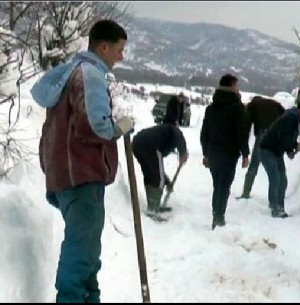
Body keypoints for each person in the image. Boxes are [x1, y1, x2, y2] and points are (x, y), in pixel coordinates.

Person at [32, 20, 130, 303]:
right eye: (119, 49)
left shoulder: (69, 73)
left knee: (87, 249)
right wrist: (119, 127)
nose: (121, 56)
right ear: (103, 46)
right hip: (82, 176)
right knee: (80, 250)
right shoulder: (90, 74)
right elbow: (94, 124)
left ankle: (89, 299)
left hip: (66, 176)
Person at [200, 74, 249, 229]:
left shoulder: (211, 108)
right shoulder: (237, 108)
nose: (238, 88)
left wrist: (205, 153)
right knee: (224, 186)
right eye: (236, 85)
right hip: (229, 153)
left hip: (213, 152)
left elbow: (204, 133)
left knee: (217, 185)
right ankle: (219, 217)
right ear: (231, 87)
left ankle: (216, 214)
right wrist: (245, 153)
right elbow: (241, 132)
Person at [258, 100, 300, 218]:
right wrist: (294, 146)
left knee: (283, 179)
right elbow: (285, 138)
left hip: (276, 151)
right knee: (276, 177)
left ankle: (279, 207)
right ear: (299, 109)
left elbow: (286, 138)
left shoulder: (295, 120)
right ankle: (275, 207)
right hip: (267, 149)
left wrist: (290, 150)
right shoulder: (290, 118)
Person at [132, 120, 189, 216]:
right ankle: (153, 207)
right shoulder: (173, 130)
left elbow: (157, 168)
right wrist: (183, 152)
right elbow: (178, 135)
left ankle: (152, 205)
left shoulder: (162, 134)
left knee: (149, 173)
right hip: (150, 145)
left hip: (137, 144)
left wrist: (167, 182)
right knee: (158, 178)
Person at [237, 96, 285, 199]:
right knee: (279, 168)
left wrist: (245, 151)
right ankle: (280, 195)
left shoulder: (252, 105)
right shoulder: (275, 104)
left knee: (254, 164)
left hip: (264, 135)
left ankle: (245, 193)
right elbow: (285, 117)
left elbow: (246, 126)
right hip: (278, 136)